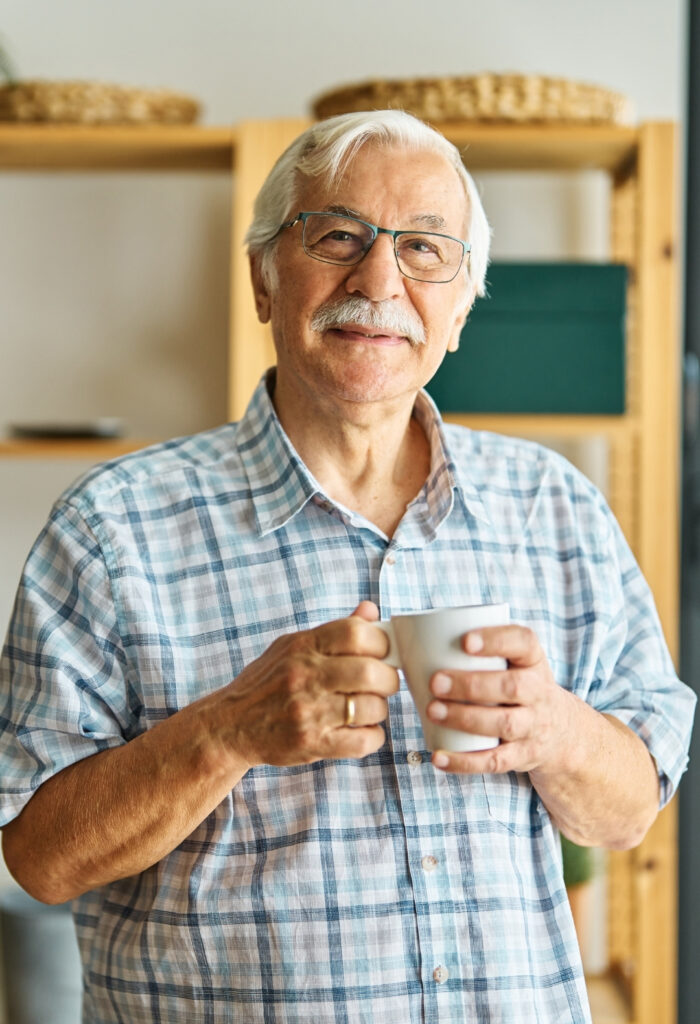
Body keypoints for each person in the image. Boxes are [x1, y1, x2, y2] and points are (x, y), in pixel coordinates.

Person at [0, 110, 694, 1024]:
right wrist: (226, 732)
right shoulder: (110, 529)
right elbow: (40, 858)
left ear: (461, 304)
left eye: (424, 250)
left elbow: (629, 812)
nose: (379, 280)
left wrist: (554, 732)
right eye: (337, 237)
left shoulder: (555, 508)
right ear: (263, 276)